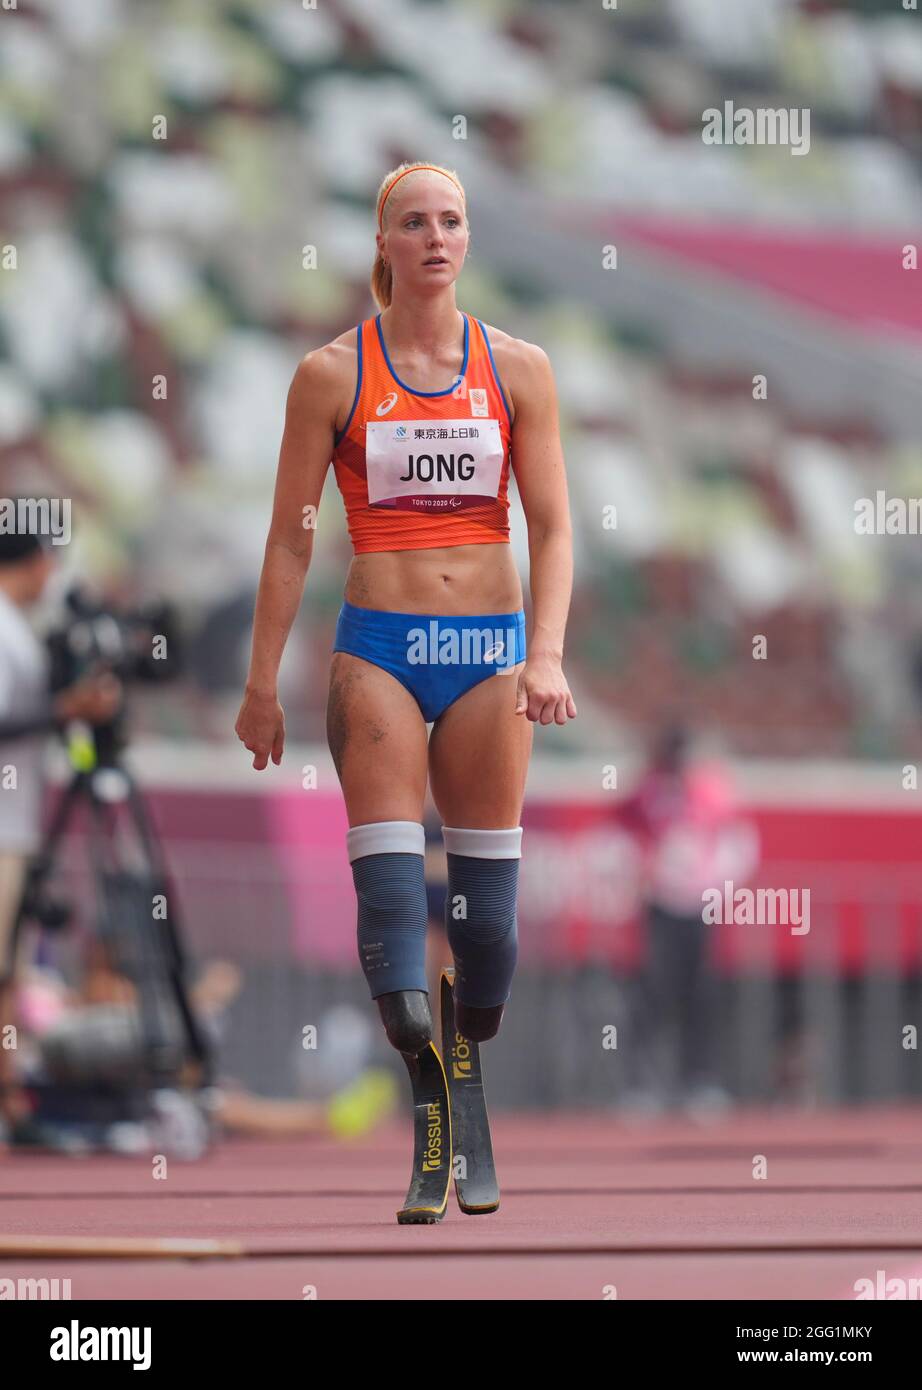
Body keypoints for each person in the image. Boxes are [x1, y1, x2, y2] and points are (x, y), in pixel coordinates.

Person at [235, 160, 575, 1076]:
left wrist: (546, 655)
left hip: (490, 655)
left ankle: (468, 1041)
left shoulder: (519, 369)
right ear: (383, 243)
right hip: (381, 649)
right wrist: (261, 684)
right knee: (392, 910)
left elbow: (551, 525)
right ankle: (417, 1057)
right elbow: (288, 542)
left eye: (451, 222)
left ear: (468, 240)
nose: (435, 238)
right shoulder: (331, 374)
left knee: (490, 933)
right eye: (415, 223)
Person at [0, 525, 121, 1136]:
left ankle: (12, 1102)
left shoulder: (16, 628)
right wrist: (65, 710)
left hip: (13, 824)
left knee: (11, 971)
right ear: (35, 561)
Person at [620, 723, 760, 1116]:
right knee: (651, 994)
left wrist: (714, 886)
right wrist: (642, 876)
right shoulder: (646, 790)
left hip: (700, 908)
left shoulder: (714, 790)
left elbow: (740, 843)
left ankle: (701, 1082)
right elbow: (621, 836)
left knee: (702, 995)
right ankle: (643, 1086)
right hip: (659, 906)